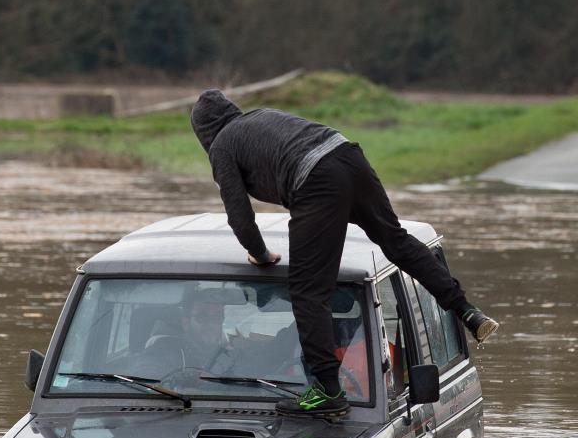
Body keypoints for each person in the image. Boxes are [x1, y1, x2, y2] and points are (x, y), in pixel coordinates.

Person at [190, 90, 499, 418]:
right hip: (349, 158)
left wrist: (261, 254)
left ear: (203, 133)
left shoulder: (222, 146)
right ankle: (466, 311)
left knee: (308, 291)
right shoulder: (259, 117)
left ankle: (327, 390)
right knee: (396, 241)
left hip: (316, 180)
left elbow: (239, 216)